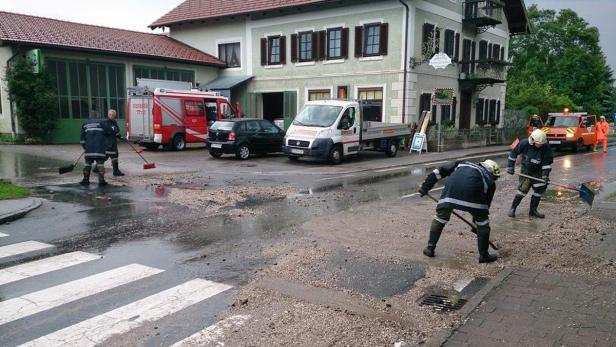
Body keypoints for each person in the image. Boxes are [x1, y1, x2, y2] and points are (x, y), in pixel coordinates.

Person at [418, 159, 501, 263]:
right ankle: (484, 255)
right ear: (491, 170)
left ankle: (430, 249)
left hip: (450, 194)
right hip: (474, 198)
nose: (494, 179)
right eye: (495, 177)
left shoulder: (462, 163)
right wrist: (477, 225)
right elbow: (485, 206)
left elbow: (439, 171)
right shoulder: (490, 182)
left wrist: (425, 187)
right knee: (483, 223)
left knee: (440, 218)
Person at [507, 129, 554, 218]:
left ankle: (533, 211)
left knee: (539, 189)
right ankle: (513, 208)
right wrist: (510, 167)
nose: (540, 145)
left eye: (541, 144)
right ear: (532, 140)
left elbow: (546, 164)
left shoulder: (546, 148)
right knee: (523, 190)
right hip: (526, 170)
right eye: (538, 143)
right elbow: (513, 154)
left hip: (539, 171)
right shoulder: (524, 144)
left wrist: (545, 176)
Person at [80, 110, 112, 186]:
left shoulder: (85, 123)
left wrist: (85, 148)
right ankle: (101, 181)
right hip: (100, 149)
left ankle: (85, 180)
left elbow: (82, 139)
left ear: (90, 116)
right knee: (100, 165)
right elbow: (109, 132)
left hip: (89, 149)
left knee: (87, 165)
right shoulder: (102, 122)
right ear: (97, 115)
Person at [104, 109, 125, 176]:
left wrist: (120, 137)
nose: (112, 116)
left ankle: (116, 171)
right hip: (107, 143)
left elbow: (117, 130)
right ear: (108, 114)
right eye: (110, 115)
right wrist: (113, 129)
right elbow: (109, 130)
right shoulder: (105, 122)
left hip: (113, 142)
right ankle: (97, 167)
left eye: (113, 115)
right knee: (105, 156)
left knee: (114, 155)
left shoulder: (114, 122)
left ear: (115, 116)